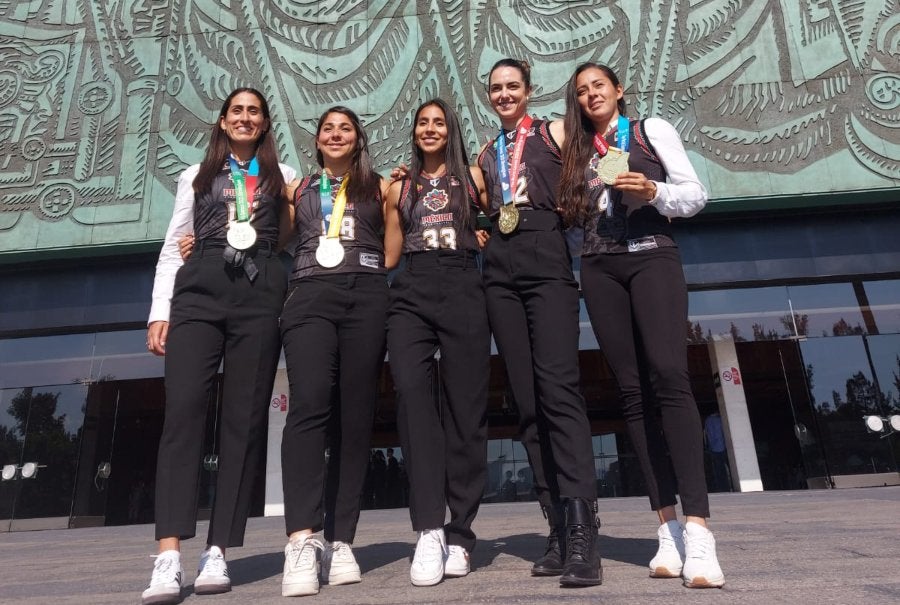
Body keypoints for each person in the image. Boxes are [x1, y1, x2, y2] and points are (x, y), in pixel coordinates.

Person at [557, 62, 724, 588]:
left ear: (618, 91)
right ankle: (666, 527)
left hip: (652, 254)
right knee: (631, 393)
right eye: (582, 92)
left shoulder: (651, 129)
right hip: (600, 266)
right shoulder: (577, 151)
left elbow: (695, 195)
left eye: (598, 86)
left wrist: (654, 192)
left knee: (670, 379)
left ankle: (699, 531)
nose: (591, 96)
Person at [143, 88, 295, 605]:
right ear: (224, 120)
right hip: (201, 285)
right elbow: (173, 243)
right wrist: (160, 309)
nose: (246, 118)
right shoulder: (196, 173)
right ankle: (168, 555)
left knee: (244, 419)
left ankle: (219, 550)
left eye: (254, 112)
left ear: (265, 122)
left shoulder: (284, 177)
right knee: (183, 413)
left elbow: (296, 235)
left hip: (259, 290)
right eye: (238, 111)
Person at [477, 58, 601, 587]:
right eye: (496, 89)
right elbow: (480, 204)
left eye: (513, 87)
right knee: (526, 404)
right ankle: (555, 528)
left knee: (558, 392)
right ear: (489, 97)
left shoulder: (553, 132)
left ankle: (582, 533)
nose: (505, 95)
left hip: (547, 259)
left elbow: (600, 136)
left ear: (529, 91)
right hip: (500, 269)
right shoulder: (485, 154)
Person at [278, 106, 392, 597]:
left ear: (358, 139)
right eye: (328, 129)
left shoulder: (381, 186)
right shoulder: (297, 190)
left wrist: (362, 271)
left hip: (365, 295)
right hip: (309, 294)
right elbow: (276, 238)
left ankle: (342, 539)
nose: (337, 134)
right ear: (318, 140)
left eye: (346, 128)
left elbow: (392, 250)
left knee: (354, 416)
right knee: (309, 407)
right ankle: (302, 540)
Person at [383, 98, 491, 587]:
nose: (430, 129)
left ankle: (461, 533)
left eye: (438, 122)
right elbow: (388, 255)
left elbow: (504, 216)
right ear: (415, 131)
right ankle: (428, 528)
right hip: (412, 289)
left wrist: (488, 237)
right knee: (413, 398)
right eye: (422, 122)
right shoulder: (398, 185)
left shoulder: (474, 177)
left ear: (451, 130)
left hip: (464, 286)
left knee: (466, 411)